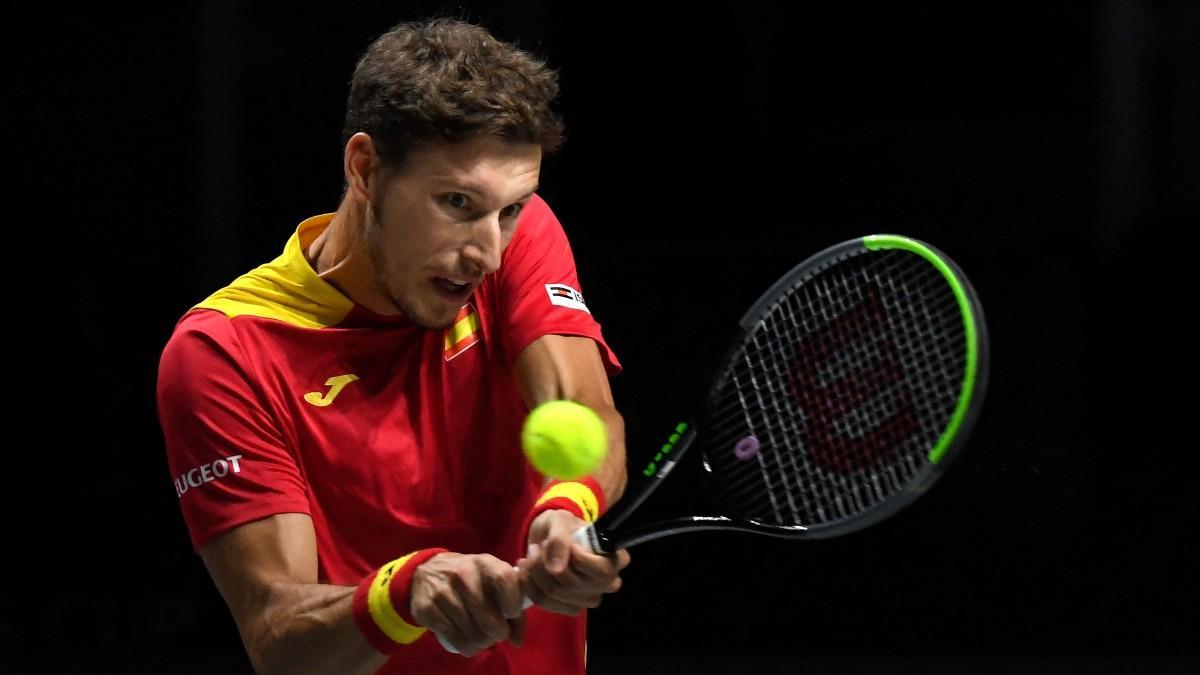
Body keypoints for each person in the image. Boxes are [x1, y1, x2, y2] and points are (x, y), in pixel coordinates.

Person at [157, 18, 630, 674]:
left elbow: (584, 404)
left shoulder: (517, 240)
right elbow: (275, 634)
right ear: (365, 168)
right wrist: (402, 595)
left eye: (512, 207)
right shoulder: (224, 351)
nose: (489, 252)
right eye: (457, 201)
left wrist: (567, 506)